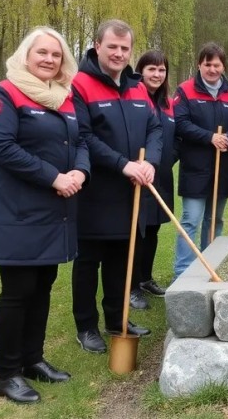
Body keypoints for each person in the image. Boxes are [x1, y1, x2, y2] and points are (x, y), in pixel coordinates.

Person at [0, 27, 89, 404]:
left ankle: (33, 359)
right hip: (19, 213)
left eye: (56, 55)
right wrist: (54, 177)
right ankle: (7, 373)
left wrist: (80, 171)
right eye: (41, 52)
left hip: (56, 212)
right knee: (17, 292)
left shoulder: (65, 97)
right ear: (26, 55)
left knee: (42, 287)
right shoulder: (4, 94)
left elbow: (80, 141)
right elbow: (2, 148)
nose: (48, 59)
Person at [71, 19, 161, 354]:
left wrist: (149, 160)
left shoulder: (137, 87)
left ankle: (116, 319)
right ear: (97, 45)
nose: (119, 53)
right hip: (95, 192)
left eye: (125, 48)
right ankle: (86, 326)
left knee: (120, 263)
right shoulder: (79, 84)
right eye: (113, 47)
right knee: (88, 264)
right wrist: (123, 165)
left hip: (131, 194)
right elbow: (83, 136)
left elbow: (155, 128)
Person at [173, 42, 228, 278]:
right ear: (199, 65)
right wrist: (209, 137)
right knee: (191, 221)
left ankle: (209, 265)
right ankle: (183, 272)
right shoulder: (185, 90)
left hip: (223, 167)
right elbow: (181, 124)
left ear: (223, 66)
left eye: (217, 65)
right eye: (207, 64)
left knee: (215, 219)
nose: (212, 70)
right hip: (195, 167)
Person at [128, 50, 177, 309]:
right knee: (138, 231)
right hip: (138, 177)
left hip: (161, 176)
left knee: (155, 229)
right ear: (141, 70)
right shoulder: (134, 98)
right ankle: (132, 285)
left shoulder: (167, 104)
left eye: (161, 70)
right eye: (151, 69)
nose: (157, 75)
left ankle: (146, 278)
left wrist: (168, 159)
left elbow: (174, 137)